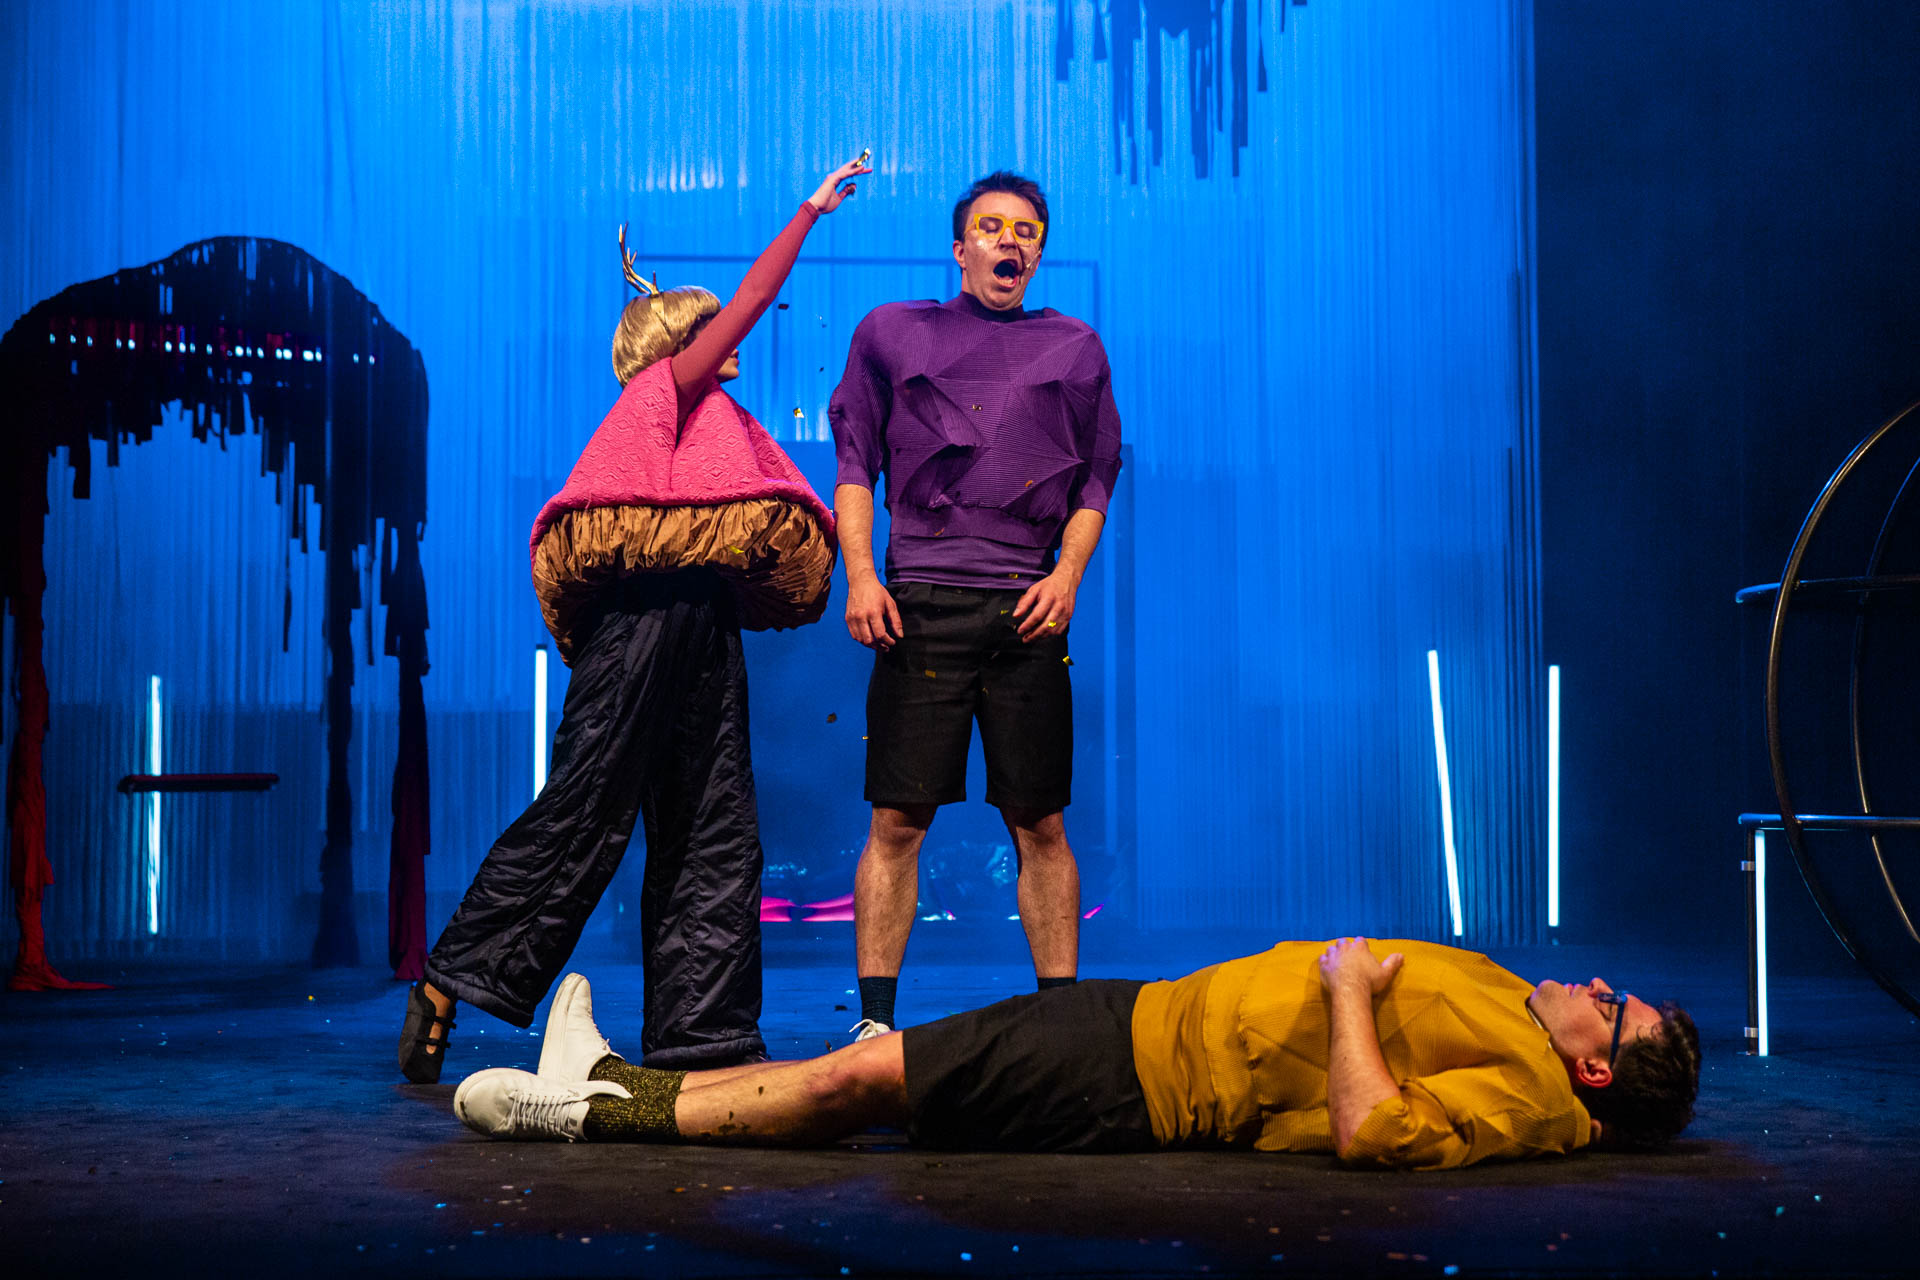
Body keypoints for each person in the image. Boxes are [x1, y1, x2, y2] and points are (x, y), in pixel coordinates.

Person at [396, 157, 871, 1083]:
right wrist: (807, 213)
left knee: (714, 824)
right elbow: (750, 302)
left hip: (702, 620)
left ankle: (704, 1033)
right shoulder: (668, 392)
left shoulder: (710, 416)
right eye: (709, 329)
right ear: (678, 344)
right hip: (642, 619)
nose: (733, 337)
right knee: (586, 808)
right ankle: (449, 978)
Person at [450, 936, 1702, 1170]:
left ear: (1596, 1069)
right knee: (884, 1067)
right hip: (1145, 1019)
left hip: (1141, 1075)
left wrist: (1347, 993)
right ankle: (615, 1079)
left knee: (865, 1078)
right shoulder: (1526, 1022)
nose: (1600, 986)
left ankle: (594, 1113)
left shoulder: (1535, 1095)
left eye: (1617, 1009)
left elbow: (1377, 1129)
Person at [828, 170, 1123, 1038]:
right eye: (992, 227)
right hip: (919, 604)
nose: (1009, 241)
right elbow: (855, 462)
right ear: (960, 249)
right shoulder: (893, 331)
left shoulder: (1075, 346)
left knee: (1041, 821)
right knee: (897, 820)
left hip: (1026, 611)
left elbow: (1097, 478)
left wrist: (1066, 578)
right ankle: (875, 1023)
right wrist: (862, 577)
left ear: (1039, 254)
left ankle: (1059, 1024)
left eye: (1026, 231)